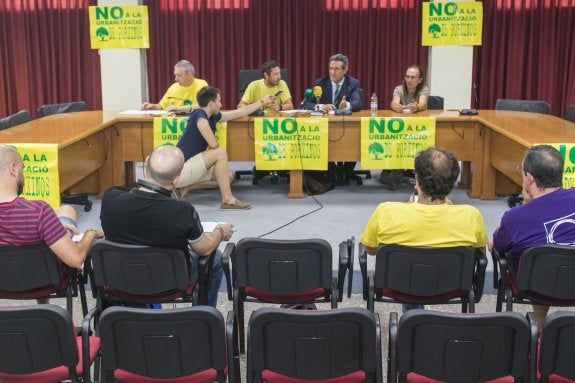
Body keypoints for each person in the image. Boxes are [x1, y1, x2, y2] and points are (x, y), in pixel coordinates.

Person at [100, 145, 235, 307]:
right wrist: (220, 231)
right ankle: (203, 318)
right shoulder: (182, 212)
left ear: (146, 161)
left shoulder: (111, 198)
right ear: (176, 181)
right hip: (170, 281)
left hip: (122, 274)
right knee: (216, 258)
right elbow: (204, 248)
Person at [360, 147, 488, 312]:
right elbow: (479, 249)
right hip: (451, 286)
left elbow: (370, 249)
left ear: (417, 181)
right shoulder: (471, 215)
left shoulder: (387, 211)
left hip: (398, 285)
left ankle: (411, 317)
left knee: (410, 275)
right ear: (452, 182)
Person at [0, 144, 103, 303]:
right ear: (13, 169)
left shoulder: (40, 214)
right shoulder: (39, 212)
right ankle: (44, 308)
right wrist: (91, 234)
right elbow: (76, 259)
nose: (23, 174)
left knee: (63, 215)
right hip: (44, 281)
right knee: (66, 211)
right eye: (23, 168)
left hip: (5, 281)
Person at [492, 144, 575, 328]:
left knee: (538, 260)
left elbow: (496, 247)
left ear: (529, 178)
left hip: (535, 288)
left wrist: (524, 205)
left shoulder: (515, 218)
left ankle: (540, 328)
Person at [176, 86, 275, 210]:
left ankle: (185, 188)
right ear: (211, 104)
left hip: (189, 168)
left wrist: (262, 102)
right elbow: (212, 144)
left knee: (227, 177)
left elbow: (238, 112)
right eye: (219, 101)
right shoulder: (199, 115)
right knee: (220, 153)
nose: (221, 104)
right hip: (182, 170)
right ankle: (228, 200)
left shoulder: (212, 116)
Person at [303, 53, 364, 184]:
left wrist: (346, 105)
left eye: (336, 69)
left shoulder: (352, 83)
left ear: (345, 70)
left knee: (353, 138)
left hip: (345, 126)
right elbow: (306, 104)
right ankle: (332, 172)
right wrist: (320, 106)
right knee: (321, 142)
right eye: (330, 68)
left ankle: (347, 172)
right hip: (324, 128)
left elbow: (358, 103)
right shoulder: (320, 83)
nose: (332, 72)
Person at [141, 60, 209, 113]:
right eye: (175, 75)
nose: (175, 79)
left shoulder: (202, 84)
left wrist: (178, 108)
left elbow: (203, 105)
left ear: (189, 75)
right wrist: (152, 106)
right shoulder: (173, 88)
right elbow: (162, 106)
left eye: (179, 75)